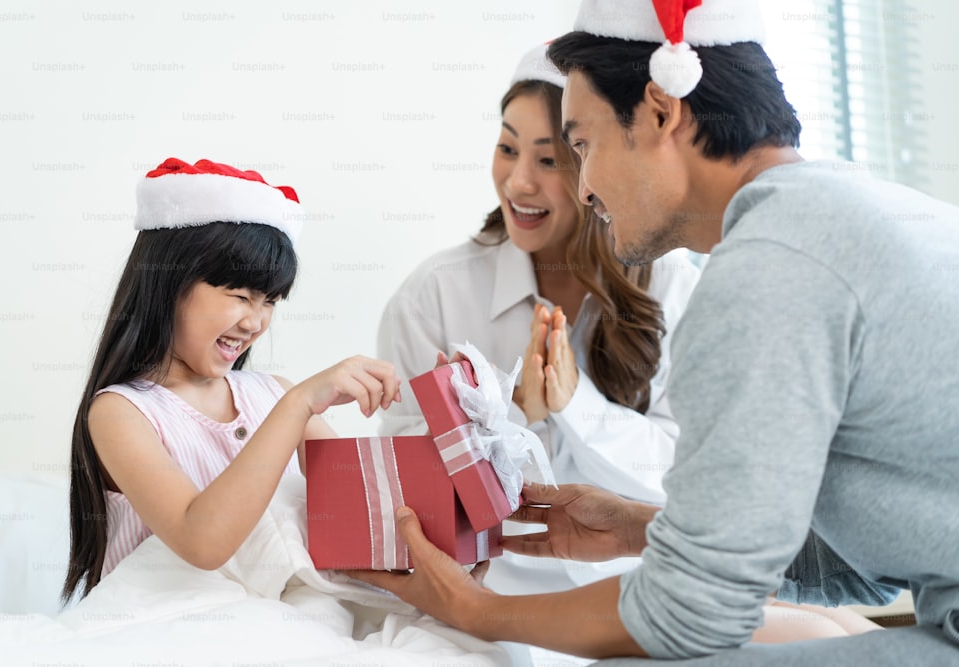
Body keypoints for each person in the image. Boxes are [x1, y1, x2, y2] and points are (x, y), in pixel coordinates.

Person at [352, 0, 959, 663]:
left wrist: (478, 610)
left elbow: (688, 615)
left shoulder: (766, 269)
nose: (584, 190)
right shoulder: (867, 209)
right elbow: (883, 549)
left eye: (580, 145)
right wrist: (641, 527)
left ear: (661, 112)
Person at [377, 42, 701, 597]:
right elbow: (402, 485)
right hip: (483, 590)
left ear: (597, 162)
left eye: (549, 159)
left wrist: (576, 405)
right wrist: (512, 422)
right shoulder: (433, 295)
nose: (518, 181)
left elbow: (686, 478)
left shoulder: (672, 287)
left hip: (639, 586)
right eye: (508, 148)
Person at [63, 158, 401, 601]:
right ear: (167, 284)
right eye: (240, 296)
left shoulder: (270, 394)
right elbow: (202, 542)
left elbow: (367, 504)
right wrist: (298, 405)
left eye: (270, 302)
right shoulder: (121, 414)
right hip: (169, 624)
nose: (256, 322)